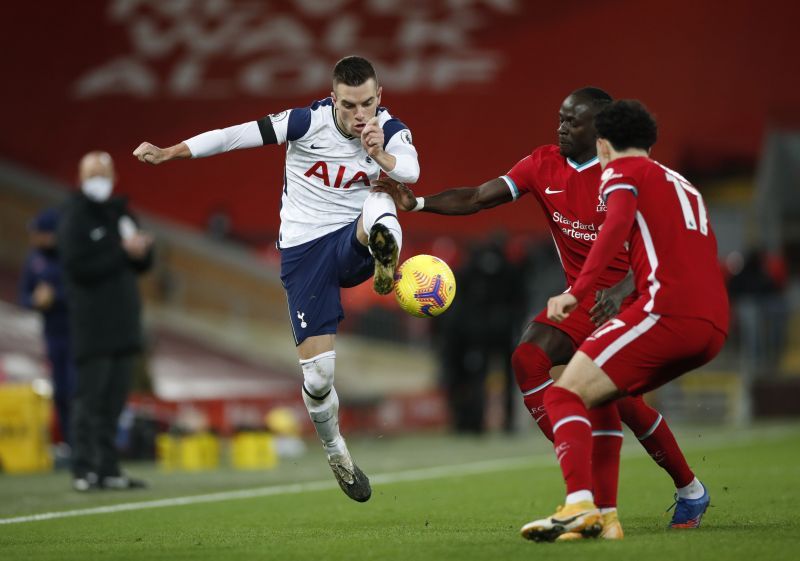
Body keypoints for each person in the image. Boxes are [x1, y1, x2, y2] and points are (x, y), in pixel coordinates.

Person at [374, 88, 705, 535]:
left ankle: (689, 488)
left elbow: (667, 242)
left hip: (633, 299)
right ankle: (580, 472)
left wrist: (627, 285)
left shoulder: (628, 174)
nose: (561, 127)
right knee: (527, 357)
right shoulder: (541, 163)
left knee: (623, 404)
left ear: (601, 130)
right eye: (560, 118)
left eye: (573, 122)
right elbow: (477, 197)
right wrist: (418, 202)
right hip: (580, 300)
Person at [132, 56, 419, 502]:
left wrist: (379, 154)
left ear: (379, 97)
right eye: (349, 106)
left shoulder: (392, 130)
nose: (359, 115)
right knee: (320, 376)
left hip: (351, 241)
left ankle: (384, 262)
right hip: (305, 251)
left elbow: (412, 171)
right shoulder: (307, 122)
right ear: (333, 98)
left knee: (383, 200)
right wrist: (173, 151)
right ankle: (336, 450)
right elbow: (235, 135)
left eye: (367, 103)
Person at [519, 100, 728, 541]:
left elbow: (614, 227)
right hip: (712, 323)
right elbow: (687, 255)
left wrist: (576, 292)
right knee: (605, 396)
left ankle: (580, 504)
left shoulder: (620, 172)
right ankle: (608, 518)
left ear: (604, 143)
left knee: (564, 394)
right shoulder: (683, 185)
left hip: (666, 313)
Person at [58, 151, 155, 491]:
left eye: (104, 172)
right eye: (93, 173)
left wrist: (144, 251)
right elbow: (77, 267)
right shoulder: (74, 217)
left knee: (115, 402)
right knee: (90, 399)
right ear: (81, 178)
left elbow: (142, 264)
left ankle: (109, 468)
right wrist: (121, 252)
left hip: (124, 323)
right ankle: (84, 468)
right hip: (92, 324)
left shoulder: (121, 213)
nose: (99, 179)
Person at [19, 208, 75, 450]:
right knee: (60, 391)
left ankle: (83, 442)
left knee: (76, 389)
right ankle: (69, 443)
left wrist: (56, 297)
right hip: (52, 335)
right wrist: (35, 300)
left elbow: (82, 292)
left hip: (76, 331)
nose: (34, 237)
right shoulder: (34, 258)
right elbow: (23, 294)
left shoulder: (71, 255)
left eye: (39, 233)